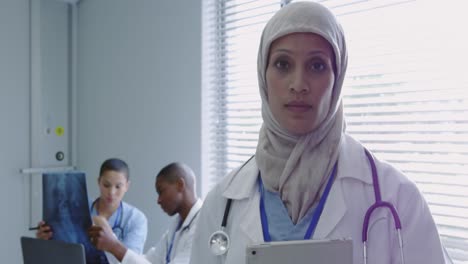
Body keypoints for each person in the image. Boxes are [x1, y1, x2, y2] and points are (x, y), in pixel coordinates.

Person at [190, 2, 453, 264]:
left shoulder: (396, 198)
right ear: (263, 74)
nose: (298, 84)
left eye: (317, 66)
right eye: (283, 64)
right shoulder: (221, 203)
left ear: (337, 79)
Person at [89, 162, 202, 264]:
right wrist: (111, 246)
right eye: (106, 185)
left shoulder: (201, 226)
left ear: (180, 185)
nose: (158, 200)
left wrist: (114, 245)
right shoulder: (176, 226)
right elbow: (149, 260)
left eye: (161, 191)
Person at [37, 158, 148, 257]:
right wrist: (45, 240)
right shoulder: (78, 208)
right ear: (99, 182)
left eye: (118, 186)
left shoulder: (136, 219)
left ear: (127, 186)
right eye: (106, 185)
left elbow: (132, 261)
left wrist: (111, 240)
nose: (111, 192)